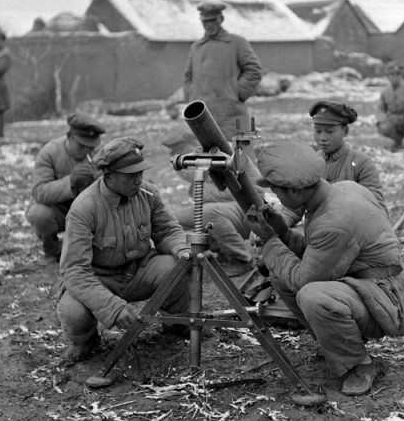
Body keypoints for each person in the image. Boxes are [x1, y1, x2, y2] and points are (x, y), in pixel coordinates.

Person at [244, 141, 404, 396]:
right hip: (367, 286)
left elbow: (303, 280)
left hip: (384, 301)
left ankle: (359, 365)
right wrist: (282, 232)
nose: (277, 198)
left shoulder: (333, 220)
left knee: (312, 296)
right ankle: (337, 345)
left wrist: (269, 240)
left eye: (277, 192)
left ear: (294, 191)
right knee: (282, 272)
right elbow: (319, 255)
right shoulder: (341, 190)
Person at [57, 136, 192, 366]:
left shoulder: (148, 194)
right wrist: (111, 307)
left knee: (177, 266)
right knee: (72, 311)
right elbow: (74, 271)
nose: (138, 180)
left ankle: (177, 323)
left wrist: (181, 249)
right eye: (131, 175)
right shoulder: (84, 208)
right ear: (109, 176)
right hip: (100, 279)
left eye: (140, 172)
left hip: (139, 271)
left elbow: (168, 230)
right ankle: (85, 342)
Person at [162, 124, 261, 277]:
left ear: (192, 142)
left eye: (179, 149)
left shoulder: (224, 152)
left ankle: (241, 258)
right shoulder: (200, 155)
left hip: (251, 208)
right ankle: (213, 253)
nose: (178, 154)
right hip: (229, 211)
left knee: (208, 212)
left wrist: (197, 184)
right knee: (174, 219)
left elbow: (238, 191)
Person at [281, 101, 387, 227]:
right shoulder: (309, 164)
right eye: (318, 131)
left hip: (352, 235)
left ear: (345, 131)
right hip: (317, 234)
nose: (322, 138)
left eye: (330, 132)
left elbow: (377, 208)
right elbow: (293, 208)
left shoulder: (362, 163)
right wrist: (277, 225)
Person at [26, 112, 106, 263]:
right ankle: (51, 249)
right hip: (61, 211)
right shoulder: (50, 152)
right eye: (81, 146)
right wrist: (70, 182)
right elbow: (39, 192)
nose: (87, 151)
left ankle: (96, 248)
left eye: (91, 147)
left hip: (91, 209)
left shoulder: (101, 152)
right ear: (69, 137)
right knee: (39, 214)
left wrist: (100, 179)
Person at [183, 1, 262, 141]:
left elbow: (253, 70)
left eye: (213, 20)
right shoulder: (196, 47)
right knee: (207, 159)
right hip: (203, 117)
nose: (209, 25)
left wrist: (236, 93)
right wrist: (192, 97)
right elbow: (188, 76)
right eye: (205, 21)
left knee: (239, 158)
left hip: (230, 116)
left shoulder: (237, 42)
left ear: (221, 19)